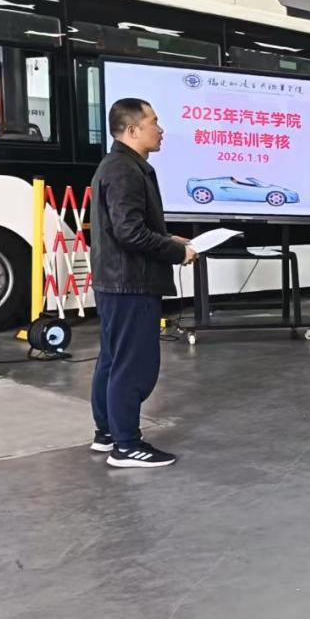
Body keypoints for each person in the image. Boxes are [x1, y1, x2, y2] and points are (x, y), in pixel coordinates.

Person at [88, 98, 196, 469]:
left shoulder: (119, 164)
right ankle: (127, 446)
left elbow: (128, 225)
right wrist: (176, 253)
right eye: (154, 121)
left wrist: (169, 239)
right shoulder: (124, 170)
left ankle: (107, 434)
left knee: (113, 360)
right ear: (133, 130)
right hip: (130, 283)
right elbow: (129, 233)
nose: (160, 129)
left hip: (116, 281)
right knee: (133, 366)